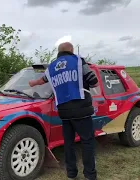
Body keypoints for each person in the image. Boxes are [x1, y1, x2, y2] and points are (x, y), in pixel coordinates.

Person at [29, 42, 98, 180]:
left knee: (69, 143)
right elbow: (93, 81)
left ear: (59, 52)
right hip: (81, 109)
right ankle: (90, 175)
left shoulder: (52, 67)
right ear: (71, 50)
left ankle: (71, 174)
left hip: (64, 111)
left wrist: (33, 83)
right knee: (87, 141)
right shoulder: (78, 60)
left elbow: (42, 80)